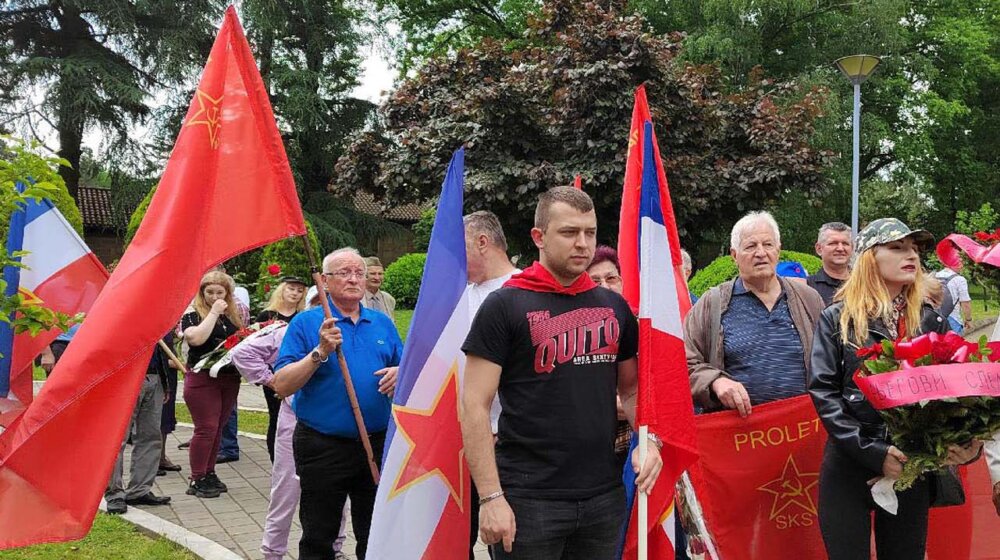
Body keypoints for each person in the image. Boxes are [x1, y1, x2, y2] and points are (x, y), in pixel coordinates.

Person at [461, 187, 662, 559]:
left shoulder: (614, 307)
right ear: (539, 237)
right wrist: (490, 497)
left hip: (604, 495)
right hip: (527, 499)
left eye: (590, 232)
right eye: (569, 232)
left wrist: (650, 441)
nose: (582, 243)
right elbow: (473, 404)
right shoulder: (503, 305)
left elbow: (632, 390)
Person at [808, 218, 982, 559]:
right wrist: (874, 453)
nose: (912, 256)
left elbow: (956, 394)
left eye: (914, 249)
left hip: (910, 468)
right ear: (869, 258)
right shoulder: (837, 319)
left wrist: (966, 444)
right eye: (898, 247)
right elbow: (824, 394)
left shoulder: (931, 320)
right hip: (849, 466)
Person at [272, 248, 403, 560]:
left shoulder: (381, 323)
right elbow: (282, 385)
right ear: (325, 281)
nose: (354, 279)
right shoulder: (307, 323)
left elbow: (409, 369)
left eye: (359, 273)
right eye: (344, 273)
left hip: (376, 443)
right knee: (319, 533)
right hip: (323, 445)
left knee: (375, 532)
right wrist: (319, 352)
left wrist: (401, 372)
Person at [685, 211, 824, 416]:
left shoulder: (808, 299)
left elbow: (831, 361)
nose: (761, 253)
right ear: (734, 255)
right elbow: (685, 362)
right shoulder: (712, 304)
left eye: (768, 244)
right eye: (751, 246)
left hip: (802, 426)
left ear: (778, 250)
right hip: (741, 429)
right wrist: (715, 381)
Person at [464, 210, 520, 560]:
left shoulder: (524, 290)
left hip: (508, 441)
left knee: (506, 537)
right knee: (458, 537)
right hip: (462, 439)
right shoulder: (458, 296)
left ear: (482, 242)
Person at [181, 270, 244, 499]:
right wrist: (214, 312)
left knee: (218, 427)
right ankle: (197, 477)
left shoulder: (232, 315)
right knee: (206, 428)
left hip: (228, 378)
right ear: (202, 292)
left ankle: (209, 472)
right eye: (210, 292)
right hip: (202, 378)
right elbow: (196, 339)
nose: (215, 296)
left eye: (220, 292)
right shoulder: (192, 314)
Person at [105, 332, 175, 514]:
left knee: (150, 436)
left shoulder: (157, 318)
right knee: (117, 439)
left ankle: (140, 490)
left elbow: (162, 348)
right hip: (126, 376)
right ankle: (114, 493)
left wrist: (165, 382)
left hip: (155, 376)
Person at [585, 245, 632, 470]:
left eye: (611, 278)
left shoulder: (643, 328)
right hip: (591, 455)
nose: (605, 287)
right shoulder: (572, 338)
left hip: (641, 451)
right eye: (595, 281)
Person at [256, 276, 308, 462]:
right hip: (273, 376)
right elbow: (255, 347)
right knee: (276, 417)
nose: (295, 293)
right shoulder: (267, 316)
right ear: (282, 290)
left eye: (299, 291)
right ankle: (276, 460)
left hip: (298, 372)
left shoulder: (302, 317)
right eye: (291, 289)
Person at [808, 221, 853, 306]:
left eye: (845, 243)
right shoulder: (808, 288)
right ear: (819, 249)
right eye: (833, 243)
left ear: (852, 248)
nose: (840, 248)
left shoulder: (866, 284)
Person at [934, 264, 973, 334]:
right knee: (954, 340)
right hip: (953, 319)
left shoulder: (933, 277)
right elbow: (965, 303)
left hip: (933, 317)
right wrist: (968, 319)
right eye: (959, 263)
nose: (961, 266)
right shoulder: (960, 280)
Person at [362, 256, 396, 323]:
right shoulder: (356, 299)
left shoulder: (389, 299)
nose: (377, 278)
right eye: (373, 274)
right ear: (364, 275)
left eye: (380, 274)